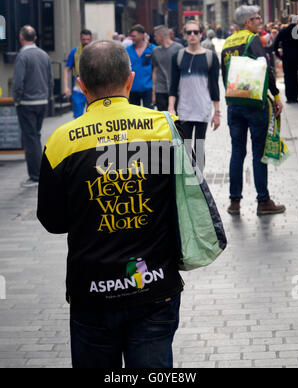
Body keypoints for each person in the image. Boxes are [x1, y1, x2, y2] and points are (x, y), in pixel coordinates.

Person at [37, 40, 185, 368]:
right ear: (131, 80)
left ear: (81, 86)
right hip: (154, 284)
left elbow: (52, 220)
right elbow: (187, 201)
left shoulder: (60, 141)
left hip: (92, 288)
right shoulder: (166, 128)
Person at [221, 5, 285, 216]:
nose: (260, 21)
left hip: (234, 103)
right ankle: (263, 201)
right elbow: (265, 69)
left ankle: (234, 201)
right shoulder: (252, 39)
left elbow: (225, 75)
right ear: (248, 22)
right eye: (257, 18)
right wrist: (275, 96)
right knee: (259, 153)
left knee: (237, 152)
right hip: (254, 103)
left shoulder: (227, 42)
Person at [169, 20, 221, 171]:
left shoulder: (210, 57)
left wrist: (217, 112)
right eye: (189, 32)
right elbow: (173, 85)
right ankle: (186, 178)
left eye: (196, 32)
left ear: (201, 34)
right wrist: (171, 108)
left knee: (199, 145)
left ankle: (199, 181)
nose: (192, 35)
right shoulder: (177, 56)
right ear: (184, 35)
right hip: (184, 109)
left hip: (202, 108)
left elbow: (214, 86)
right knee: (183, 146)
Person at [13, 25, 53, 188]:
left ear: (21, 38)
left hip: (27, 103)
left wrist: (17, 100)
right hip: (42, 101)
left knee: (30, 139)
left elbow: (18, 82)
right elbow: (50, 79)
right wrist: (48, 97)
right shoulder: (44, 55)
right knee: (36, 136)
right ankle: (41, 171)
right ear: (35, 38)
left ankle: (35, 175)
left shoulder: (22, 57)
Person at [152, 25, 183, 111]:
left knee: (175, 120)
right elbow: (155, 70)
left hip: (176, 89)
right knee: (163, 118)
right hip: (160, 90)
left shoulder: (178, 48)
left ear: (161, 36)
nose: (154, 38)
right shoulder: (155, 51)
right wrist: (153, 92)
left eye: (155, 36)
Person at [64, 29, 93, 118]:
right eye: (84, 39)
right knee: (78, 117)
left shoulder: (96, 51)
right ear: (80, 39)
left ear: (91, 39)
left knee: (93, 115)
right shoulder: (74, 52)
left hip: (93, 88)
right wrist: (65, 87)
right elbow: (66, 69)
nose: (86, 42)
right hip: (78, 88)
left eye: (88, 39)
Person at [126, 24, 156, 108]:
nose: (132, 38)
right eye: (131, 36)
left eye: (134, 36)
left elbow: (156, 69)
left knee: (149, 115)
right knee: (134, 116)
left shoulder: (152, 49)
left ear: (142, 35)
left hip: (148, 88)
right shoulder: (127, 50)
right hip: (133, 89)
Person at [273, 15, 298, 104]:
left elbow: (275, 44)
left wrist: (279, 55)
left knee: (288, 76)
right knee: (295, 76)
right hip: (297, 58)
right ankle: (295, 96)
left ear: (289, 21)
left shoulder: (283, 31)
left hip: (287, 58)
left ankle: (289, 97)